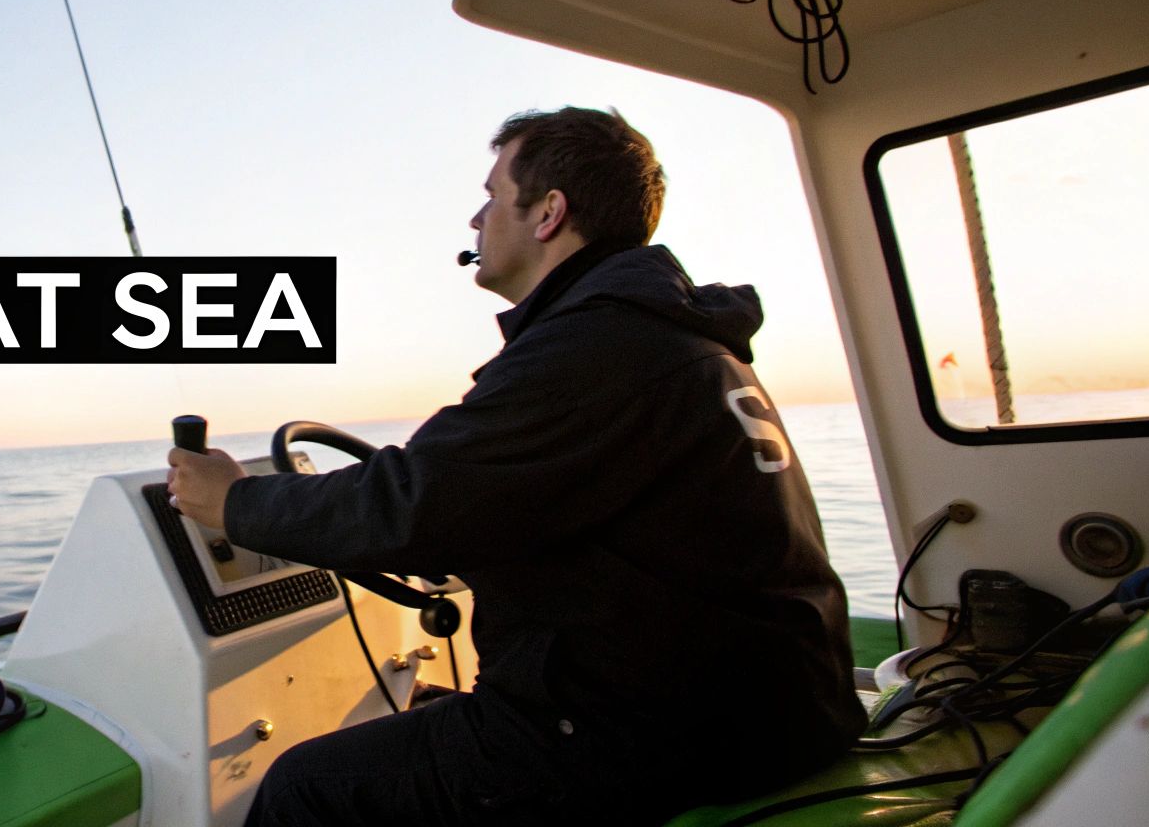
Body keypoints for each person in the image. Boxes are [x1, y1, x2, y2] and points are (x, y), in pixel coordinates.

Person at [168, 107, 866, 825]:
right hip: (776, 710)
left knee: (305, 786)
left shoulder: (594, 348)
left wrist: (236, 502)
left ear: (548, 214)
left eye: (493, 196)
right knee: (429, 714)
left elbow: (414, 506)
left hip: (667, 734)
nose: (476, 219)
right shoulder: (673, 336)